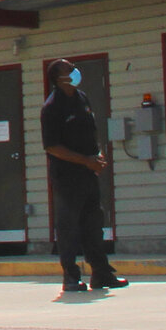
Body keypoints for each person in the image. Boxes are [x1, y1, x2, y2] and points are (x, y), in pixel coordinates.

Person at [38, 58, 124, 294]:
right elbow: (52, 146)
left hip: (88, 173)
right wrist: (84, 160)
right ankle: (71, 277)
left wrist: (97, 156)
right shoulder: (52, 107)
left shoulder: (82, 98)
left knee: (93, 224)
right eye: (69, 69)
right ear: (58, 78)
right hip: (67, 177)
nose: (75, 71)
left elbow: (91, 133)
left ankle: (101, 274)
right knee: (69, 228)